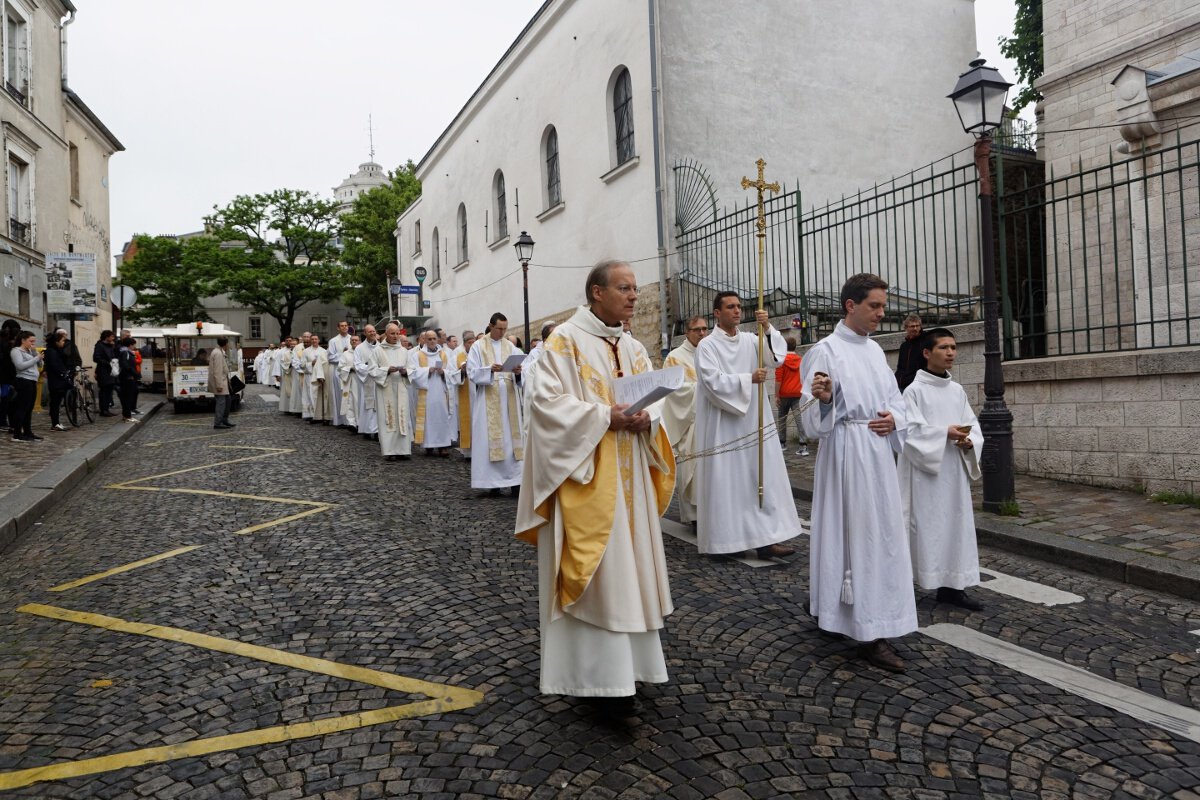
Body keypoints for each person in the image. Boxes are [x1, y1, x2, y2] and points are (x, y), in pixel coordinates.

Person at [514, 259, 676, 717]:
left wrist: (648, 418)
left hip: (630, 480)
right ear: (596, 293)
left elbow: (655, 398)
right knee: (600, 575)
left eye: (635, 289)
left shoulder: (632, 345)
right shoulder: (565, 341)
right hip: (587, 477)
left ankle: (632, 670)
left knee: (632, 573)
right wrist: (606, 416)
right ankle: (595, 680)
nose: (632, 296)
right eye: (623, 288)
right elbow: (544, 406)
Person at [801, 273, 916, 673]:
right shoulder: (824, 352)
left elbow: (895, 401)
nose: (882, 314)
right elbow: (810, 419)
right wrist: (826, 400)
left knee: (879, 536)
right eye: (875, 306)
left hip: (878, 454)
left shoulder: (873, 352)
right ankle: (865, 630)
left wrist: (892, 420)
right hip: (845, 454)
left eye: (883, 307)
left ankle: (867, 614)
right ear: (851, 305)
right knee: (852, 538)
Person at [693, 293, 803, 559]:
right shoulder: (707, 346)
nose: (737, 311)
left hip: (753, 420)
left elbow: (776, 358)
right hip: (724, 425)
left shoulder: (751, 340)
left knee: (759, 477)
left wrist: (768, 328)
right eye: (730, 307)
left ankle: (766, 540)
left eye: (739, 306)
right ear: (717, 313)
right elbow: (711, 381)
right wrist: (748, 379)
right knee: (727, 482)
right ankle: (724, 542)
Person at [900, 327, 984, 610]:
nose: (951, 353)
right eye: (943, 348)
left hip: (954, 470)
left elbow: (973, 424)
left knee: (955, 526)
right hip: (927, 474)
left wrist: (969, 441)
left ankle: (952, 586)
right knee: (926, 527)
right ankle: (912, 582)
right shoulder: (913, 391)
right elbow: (909, 432)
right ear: (927, 353)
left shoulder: (957, 390)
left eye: (953, 347)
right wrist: (942, 433)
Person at [467, 313, 524, 494]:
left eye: (505, 329)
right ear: (490, 326)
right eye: (499, 328)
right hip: (488, 398)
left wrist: (518, 372)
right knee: (490, 440)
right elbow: (472, 372)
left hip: (509, 399)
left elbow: (524, 369)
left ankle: (516, 481)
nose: (502, 332)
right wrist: (489, 370)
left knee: (512, 441)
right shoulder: (478, 346)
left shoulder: (511, 347)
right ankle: (493, 484)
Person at [661, 315, 707, 525]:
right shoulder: (675, 357)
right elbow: (673, 390)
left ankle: (712, 512)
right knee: (691, 469)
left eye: (705, 329)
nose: (702, 333)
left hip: (710, 419)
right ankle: (694, 518)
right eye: (697, 329)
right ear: (687, 332)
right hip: (690, 421)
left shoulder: (711, 352)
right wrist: (706, 389)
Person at [409, 330, 459, 456]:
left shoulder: (443, 354)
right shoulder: (418, 355)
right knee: (428, 418)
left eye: (434, 339)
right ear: (424, 340)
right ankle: (429, 445)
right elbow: (413, 373)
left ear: (437, 340)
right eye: (429, 339)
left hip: (441, 392)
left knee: (442, 417)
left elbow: (451, 373)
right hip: (426, 392)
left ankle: (443, 446)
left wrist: (444, 373)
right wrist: (428, 371)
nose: (432, 341)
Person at [370, 323, 414, 462]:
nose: (395, 336)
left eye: (397, 333)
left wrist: (406, 372)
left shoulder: (404, 351)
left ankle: (403, 450)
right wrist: (387, 370)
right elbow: (371, 370)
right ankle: (390, 451)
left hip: (401, 387)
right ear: (386, 334)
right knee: (388, 418)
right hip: (385, 388)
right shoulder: (378, 351)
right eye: (392, 333)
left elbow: (412, 368)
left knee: (402, 417)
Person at [519, 321, 556, 436]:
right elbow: (531, 398)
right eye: (556, 337)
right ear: (545, 341)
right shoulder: (535, 366)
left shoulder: (570, 361)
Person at [775, 334, 808, 456]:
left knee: (782, 419)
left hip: (784, 393)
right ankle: (803, 444)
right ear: (795, 347)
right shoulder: (801, 360)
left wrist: (776, 395)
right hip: (797, 393)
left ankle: (782, 443)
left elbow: (778, 379)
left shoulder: (781, 361)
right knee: (798, 418)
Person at [9, 330, 42, 441]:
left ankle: (28, 432)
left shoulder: (30, 351)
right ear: (23, 340)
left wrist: (36, 355)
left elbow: (39, 365)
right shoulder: (16, 351)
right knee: (22, 408)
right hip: (23, 381)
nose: (33, 343)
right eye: (31, 341)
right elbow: (20, 366)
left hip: (32, 381)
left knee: (29, 408)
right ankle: (17, 434)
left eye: (34, 341)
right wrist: (36, 358)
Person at [354, 325, 380, 440]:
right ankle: (367, 429)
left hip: (379, 380)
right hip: (367, 381)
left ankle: (378, 430)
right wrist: (370, 368)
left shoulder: (381, 347)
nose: (372, 333)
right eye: (370, 332)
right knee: (367, 405)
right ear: (365, 333)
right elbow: (357, 365)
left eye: (374, 331)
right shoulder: (359, 348)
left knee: (378, 406)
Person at [43, 331, 73, 432]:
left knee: (56, 402)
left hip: (58, 380)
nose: (63, 343)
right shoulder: (51, 351)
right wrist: (62, 374)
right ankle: (55, 424)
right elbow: (54, 366)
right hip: (56, 381)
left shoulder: (56, 350)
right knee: (55, 403)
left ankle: (56, 423)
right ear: (56, 342)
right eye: (62, 341)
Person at [454, 330, 476, 456]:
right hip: (465, 393)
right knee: (467, 421)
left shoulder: (478, 354)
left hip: (478, 392)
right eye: (469, 342)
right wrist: (461, 371)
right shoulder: (458, 355)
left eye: (473, 342)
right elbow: (452, 373)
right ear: (465, 344)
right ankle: (467, 453)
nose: (472, 345)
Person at [327, 320, 353, 427]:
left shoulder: (353, 339)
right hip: (338, 371)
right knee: (339, 395)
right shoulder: (333, 341)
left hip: (350, 371)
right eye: (342, 326)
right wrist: (343, 354)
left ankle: (351, 420)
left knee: (350, 395)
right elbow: (330, 357)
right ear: (338, 328)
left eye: (346, 325)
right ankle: (340, 420)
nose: (344, 327)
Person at [302, 334, 331, 423]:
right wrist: (311, 364)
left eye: (316, 339)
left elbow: (326, 363)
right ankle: (311, 415)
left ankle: (320, 414)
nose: (314, 341)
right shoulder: (306, 351)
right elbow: (302, 365)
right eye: (313, 339)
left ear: (318, 340)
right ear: (310, 341)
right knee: (310, 395)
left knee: (319, 395)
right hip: (309, 375)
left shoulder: (324, 351)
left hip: (320, 376)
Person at [894, 313, 926, 391]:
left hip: (919, 386)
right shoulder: (904, 346)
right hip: (902, 386)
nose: (915, 328)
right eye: (912, 326)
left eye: (917, 326)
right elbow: (900, 367)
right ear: (906, 328)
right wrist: (898, 380)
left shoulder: (926, 342)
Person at [0, 319, 23, 433]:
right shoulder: (6, 344)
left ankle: (7, 422)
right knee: (6, 399)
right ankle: (3, 421)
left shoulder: (8, 343)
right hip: (6, 377)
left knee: (7, 399)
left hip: (8, 377)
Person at [208, 336, 234, 429]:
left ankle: (224, 420)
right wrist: (219, 385)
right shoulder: (218, 353)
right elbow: (217, 371)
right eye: (228, 343)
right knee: (221, 403)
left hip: (223, 381)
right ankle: (218, 422)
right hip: (220, 382)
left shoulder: (219, 352)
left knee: (228, 401)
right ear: (226, 343)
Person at [336, 334, 360, 431]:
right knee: (350, 402)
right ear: (350, 342)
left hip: (361, 381)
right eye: (352, 340)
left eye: (356, 340)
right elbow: (340, 368)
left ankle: (361, 423)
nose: (354, 341)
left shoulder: (363, 352)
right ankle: (352, 423)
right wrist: (350, 368)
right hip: (350, 379)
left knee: (360, 402)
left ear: (359, 341)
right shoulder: (345, 354)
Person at [93, 329, 118, 417]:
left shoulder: (111, 346)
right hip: (103, 371)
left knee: (109, 391)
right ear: (106, 337)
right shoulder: (100, 345)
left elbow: (114, 356)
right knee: (104, 391)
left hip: (111, 371)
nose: (113, 338)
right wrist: (107, 363)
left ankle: (106, 409)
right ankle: (103, 410)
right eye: (111, 336)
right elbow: (96, 358)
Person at [116, 336, 141, 423]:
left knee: (129, 396)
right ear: (130, 345)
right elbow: (125, 364)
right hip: (127, 378)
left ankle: (127, 415)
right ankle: (127, 416)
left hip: (129, 377)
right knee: (127, 397)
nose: (134, 347)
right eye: (133, 345)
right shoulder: (125, 352)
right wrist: (134, 372)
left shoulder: (127, 352)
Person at [276, 337, 295, 413]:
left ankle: (294, 408)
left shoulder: (295, 350)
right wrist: (277, 375)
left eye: (290, 340)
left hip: (295, 374)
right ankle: (286, 408)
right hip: (285, 373)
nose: (288, 342)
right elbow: (277, 363)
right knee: (285, 391)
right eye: (287, 340)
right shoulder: (281, 352)